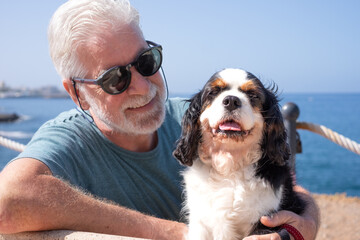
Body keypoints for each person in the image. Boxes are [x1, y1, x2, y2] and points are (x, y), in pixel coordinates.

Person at [0, 0, 319, 239]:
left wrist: (305, 222)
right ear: (77, 93)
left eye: (146, 61)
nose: (143, 86)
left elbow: (286, 186)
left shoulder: (199, 120)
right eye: (115, 79)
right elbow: (6, 205)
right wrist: (183, 234)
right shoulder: (68, 139)